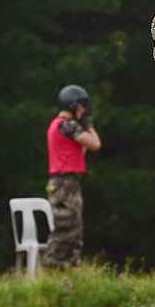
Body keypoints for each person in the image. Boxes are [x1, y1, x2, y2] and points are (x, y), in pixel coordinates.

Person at [44, 85, 101, 268]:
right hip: (65, 183)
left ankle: (67, 268)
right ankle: (55, 266)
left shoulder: (58, 125)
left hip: (64, 183)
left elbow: (81, 151)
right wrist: (89, 126)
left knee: (73, 229)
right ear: (72, 105)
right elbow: (95, 144)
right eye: (81, 106)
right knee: (66, 228)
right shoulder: (67, 125)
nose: (83, 110)